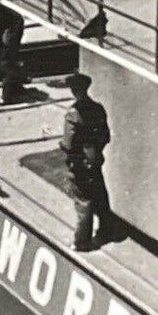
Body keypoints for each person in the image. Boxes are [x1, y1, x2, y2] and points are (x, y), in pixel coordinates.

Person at [59, 71, 120, 252]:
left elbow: (68, 143)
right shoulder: (98, 108)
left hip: (78, 164)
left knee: (83, 200)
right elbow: (106, 136)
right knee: (99, 193)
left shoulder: (72, 114)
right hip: (95, 159)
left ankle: (82, 241)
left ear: (73, 90)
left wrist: (64, 146)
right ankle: (106, 229)